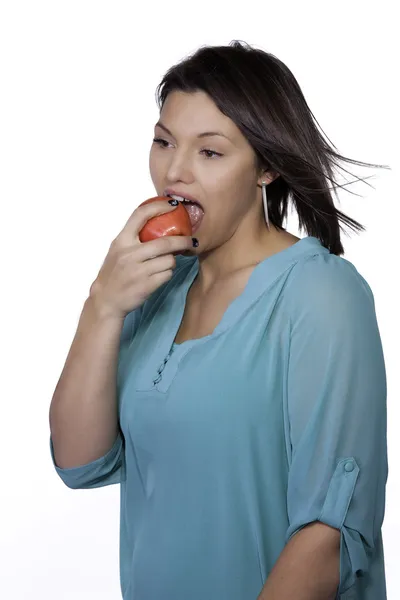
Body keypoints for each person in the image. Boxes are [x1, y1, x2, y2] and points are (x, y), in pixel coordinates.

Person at [49, 41, 389, 600]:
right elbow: (78, 460)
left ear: (267, 166)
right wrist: (102, 305)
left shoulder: (322, 295)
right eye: (163, 142)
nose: (174, 172)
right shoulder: (157, 288)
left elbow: (327, 535)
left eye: (210, 152)